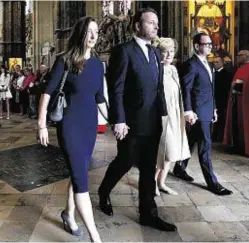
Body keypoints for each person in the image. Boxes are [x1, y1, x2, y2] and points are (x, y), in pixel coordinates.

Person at [98, 8, 176, 232]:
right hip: (131, 122)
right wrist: (119, 120)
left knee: (148, 168)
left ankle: (148, 213)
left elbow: (157, 87)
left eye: (156, 23)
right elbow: (117, 89)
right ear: (137, 25)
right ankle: (104, 191)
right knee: (125, 161)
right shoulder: (123, 51)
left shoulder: (154, 53)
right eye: (150, 22)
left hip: (151, 121)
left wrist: (163, 115)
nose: (155, 27)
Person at [37, 16, 107, 242]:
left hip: (89, 127)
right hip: (70, 126)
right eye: (89, 31)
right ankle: (95, 237)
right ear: (80, 34)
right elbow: (47, 92)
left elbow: (100, 98)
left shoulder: (98, 64)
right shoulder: (65, 60)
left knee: (79, 174)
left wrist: (116, 121)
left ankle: (68, 213)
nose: (94, 36)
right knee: (81, 181)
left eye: (97, 32)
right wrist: (41, 124)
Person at [173, 33, 233, 196]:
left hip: (207, 110)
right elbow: (186, 89)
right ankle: (213, 183)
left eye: (210, 44)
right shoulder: (191, 65)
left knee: (192, 140)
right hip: (197, 112)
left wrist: (213, 108)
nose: (209, 47)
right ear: (196, 46)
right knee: (205, 147)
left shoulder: (209, 64)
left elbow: (210, 90)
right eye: (205, 44)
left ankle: (179, 168)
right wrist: (188, 111)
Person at [154, 37, 190, 196]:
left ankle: (161, 182)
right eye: (164, 51)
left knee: (173, 152)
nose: (168, 54)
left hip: (175, 115)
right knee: (163, 151)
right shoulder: (155, 69)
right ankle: (151, 183)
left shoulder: (173, 69)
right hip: (162, 116)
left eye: (171, 51)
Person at [223, 50, 249, 157]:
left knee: (245, 124)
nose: (237, 57)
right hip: (236, 100)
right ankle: (237, 146)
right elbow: (234, 82)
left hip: (245, 101)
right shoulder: (240, 68)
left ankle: (247, 148)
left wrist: (239, 84)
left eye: (240, 55)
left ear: (246, 56)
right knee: (236, 124)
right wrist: (235, 85)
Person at [212, 56, 232, 142]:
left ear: (222, 63)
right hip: (213, 99)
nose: (215, 64)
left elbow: (225, 87)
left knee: (221, 118)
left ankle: (220, 136)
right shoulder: (212, 73)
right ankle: (214, 134)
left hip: (221, 99)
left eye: (217, 62)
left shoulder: (226, 74)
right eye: (214, 62)